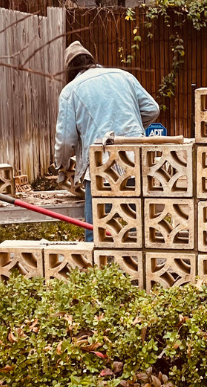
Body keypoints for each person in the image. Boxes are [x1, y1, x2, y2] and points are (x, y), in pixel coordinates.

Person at [55, 41, 160, 241]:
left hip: (101, 167)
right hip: (134, 160)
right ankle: (135, 268)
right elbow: (152, 109)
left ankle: (101, 269)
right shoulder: (123, 76)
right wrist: (131, 131)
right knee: (137, 229)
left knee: (97, 235)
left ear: (70, 70)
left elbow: (66, 139)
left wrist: (61, 165)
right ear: (92, 60)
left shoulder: (71, 90)